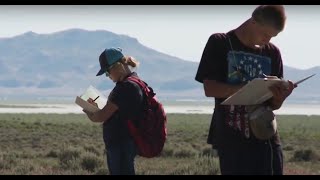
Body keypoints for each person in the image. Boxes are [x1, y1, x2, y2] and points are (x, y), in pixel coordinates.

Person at [195, 5, 296, 175]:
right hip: (232, 139)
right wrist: (243, 89)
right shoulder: (220, 43)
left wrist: (279, 97)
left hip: (266, 136)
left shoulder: (273, 53)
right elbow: (209, 88)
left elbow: (273, 105)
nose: (268, 40)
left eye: (273, 36)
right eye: (266, 34)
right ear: (254, 22)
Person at [83, 47, 144, 175]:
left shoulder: (124, 88)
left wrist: (89, 110)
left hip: (120, 145)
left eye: (108, 71)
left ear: (118, 66)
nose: (108, 76)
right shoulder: (135, 82)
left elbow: (100, 116)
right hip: (126, 143)